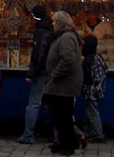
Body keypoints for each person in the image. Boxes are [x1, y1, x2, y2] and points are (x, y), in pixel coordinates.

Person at [43, 11, 84, 156]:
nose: (52, 24)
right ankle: (63, 142)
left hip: (63, 84)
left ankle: (69, 144)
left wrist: (55, 74)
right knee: (59, 115)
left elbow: (67, 59)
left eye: (54, 22)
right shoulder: (64, 37)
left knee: (63, 116)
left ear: (60, 23)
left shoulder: (66, 37)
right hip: (59, 84)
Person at [17, 4, 54, 144]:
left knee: (34, 103)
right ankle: (55, 133)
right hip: (51, 70)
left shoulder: (40, 31)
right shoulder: (51, 28)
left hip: (41, 71)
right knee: (52, 102)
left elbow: (39, 54)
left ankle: (28, 134)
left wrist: (32, 73)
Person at [80, 35, 107, 143]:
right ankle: (89, 131)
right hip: (99, 89)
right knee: (90, 111)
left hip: (92, 90)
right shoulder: (98, 57)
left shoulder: (88, 60)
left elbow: (87, 76)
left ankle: (98, 133)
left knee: (92, 112)